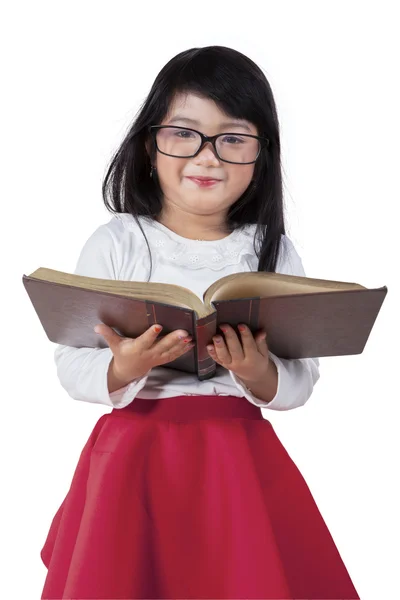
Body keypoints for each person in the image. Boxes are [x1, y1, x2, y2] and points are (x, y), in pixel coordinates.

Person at [40, 45, 360, 599]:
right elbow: (71, 364)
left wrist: (258, 371)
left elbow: (299, 379)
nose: (207, 157)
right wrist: (123, 366)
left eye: (233, 139)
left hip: (235, 459)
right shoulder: (118, 241)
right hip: (133, 456)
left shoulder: (274, 251)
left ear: (262, 156)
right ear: (149, 145)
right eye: (184, 134)